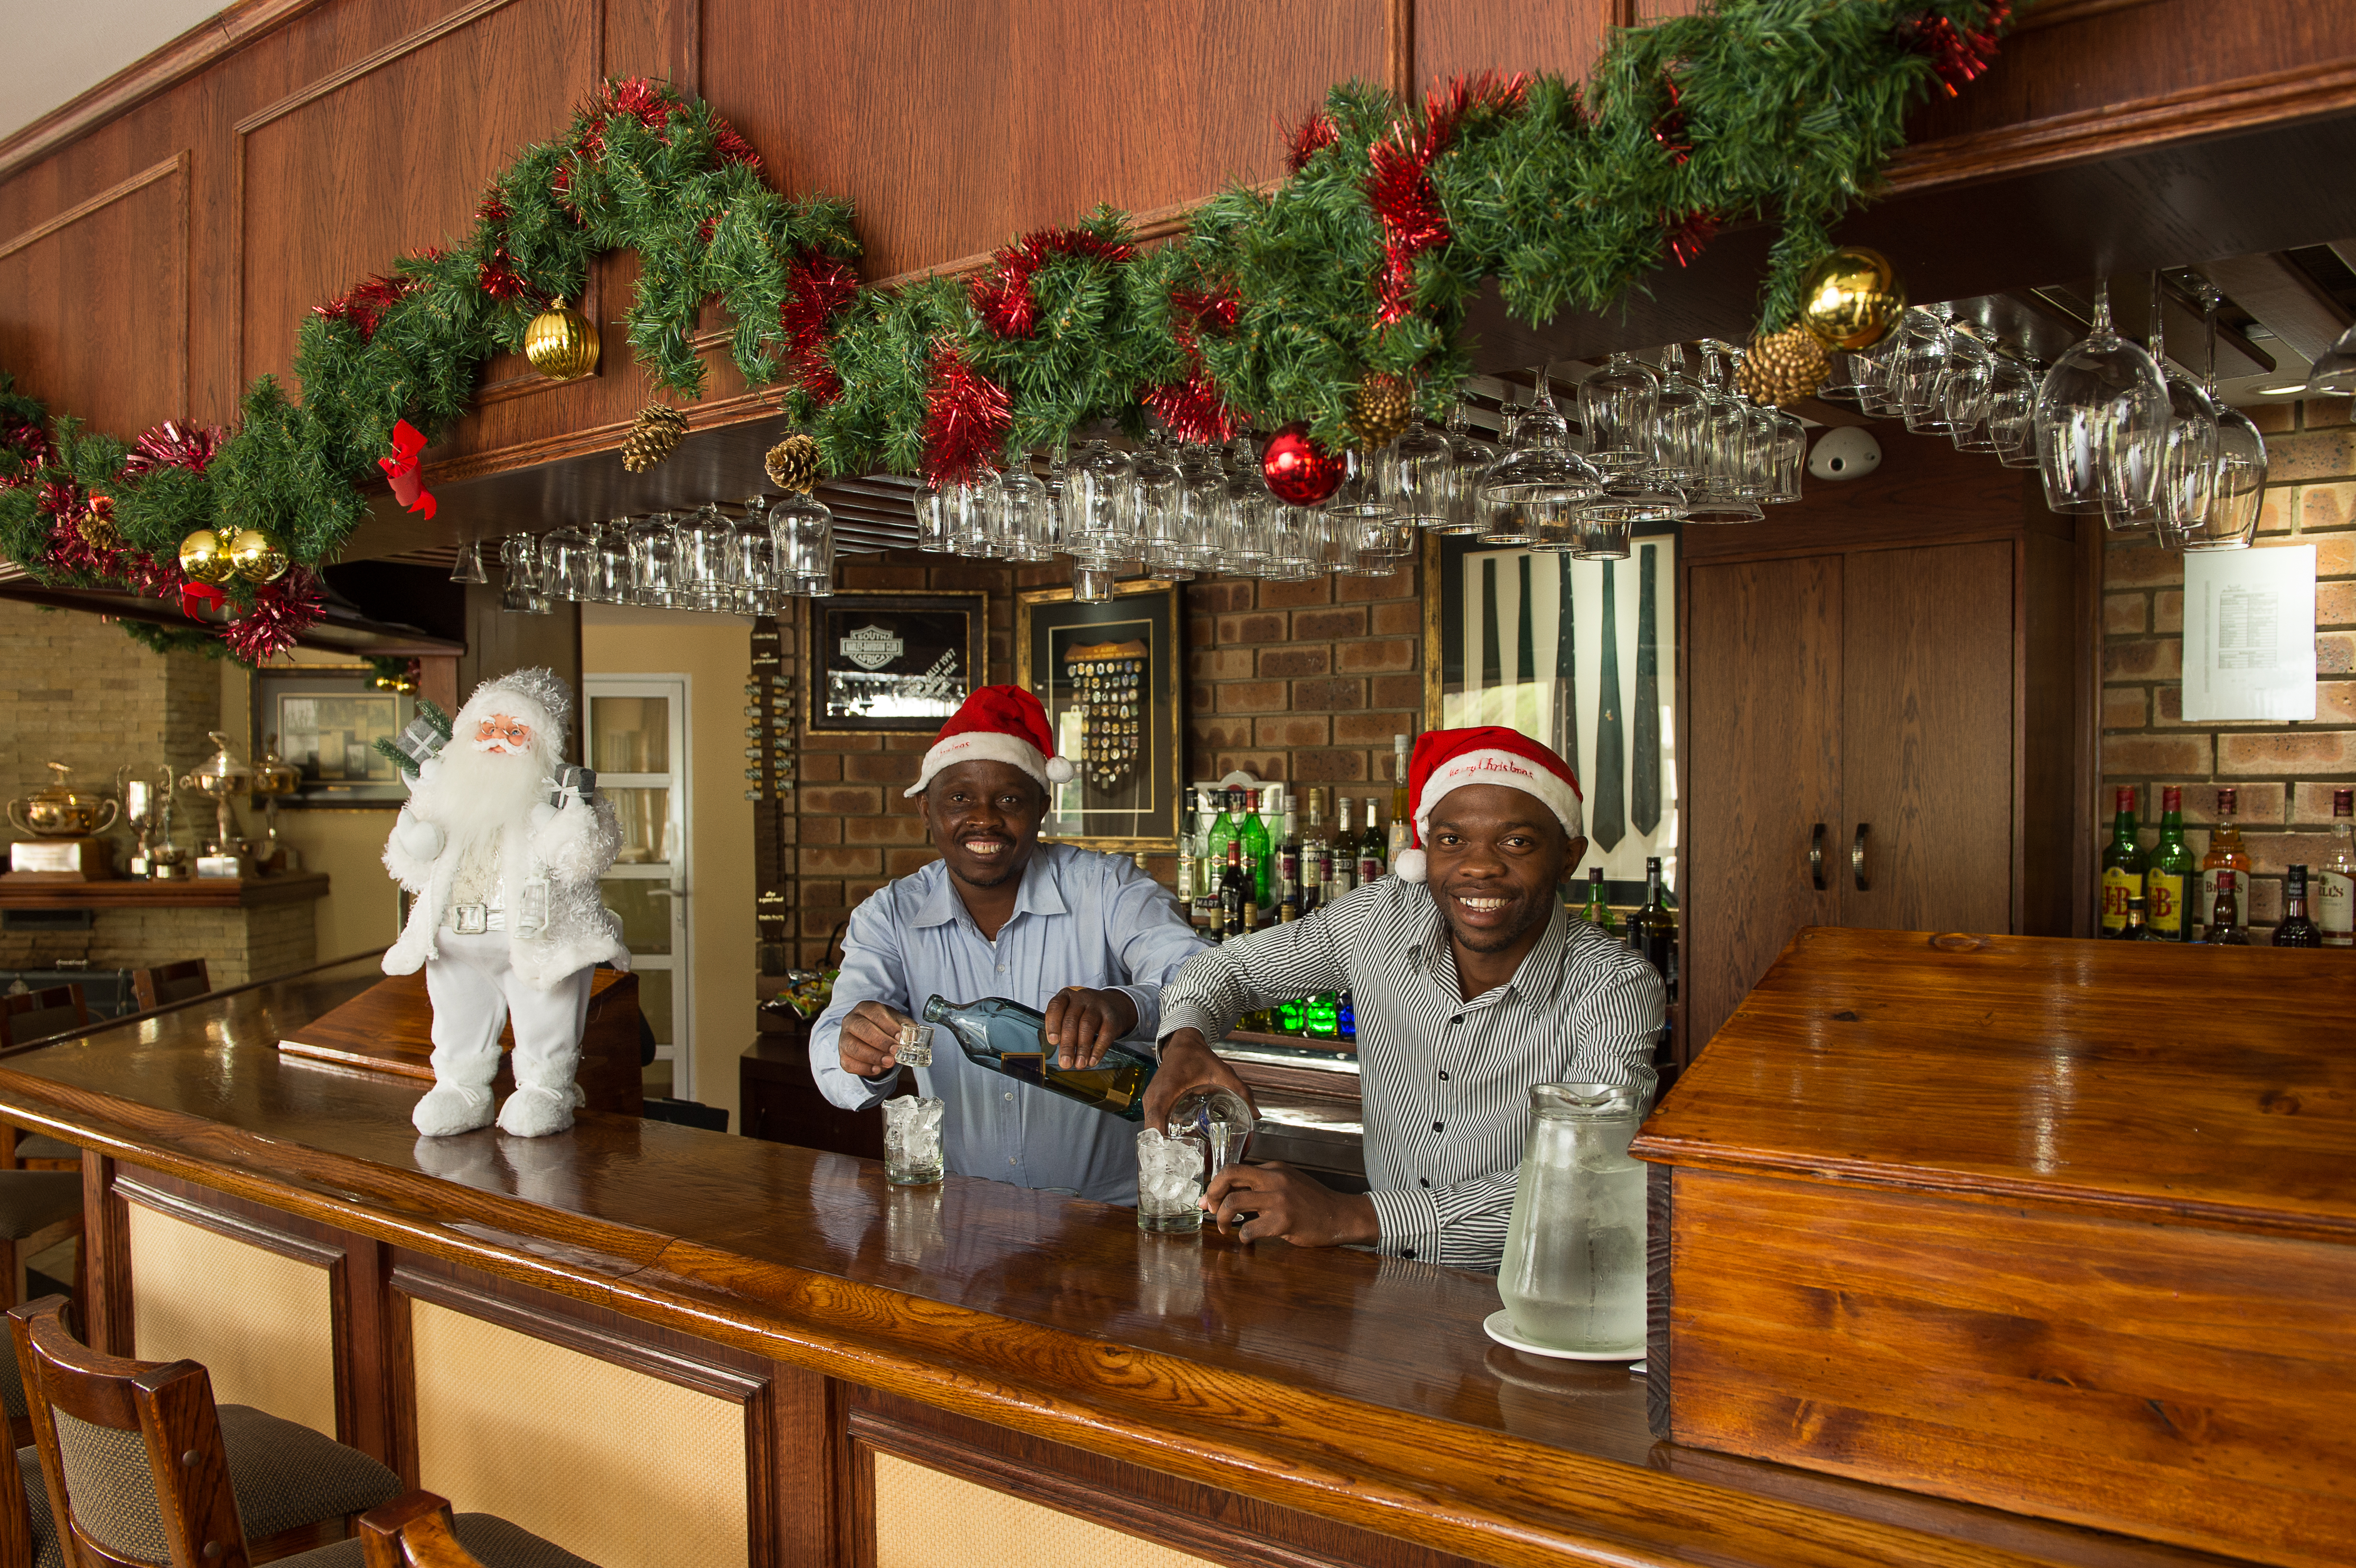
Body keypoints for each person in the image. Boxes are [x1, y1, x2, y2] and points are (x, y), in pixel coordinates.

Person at [1144, 726, 1663, 1269]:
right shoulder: (1380, 918)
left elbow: (1584, 1175)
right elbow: (1225, 967)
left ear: (1568, 856)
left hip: (1541, 1297)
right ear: (1425, 849)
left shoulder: (1614, 984)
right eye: (1451, 840)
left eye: (1515, 841)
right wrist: (1184, 1037)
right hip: (1390, 1289)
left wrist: (1352, 1216)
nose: (1478, 864)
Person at [810, 686, 1204, 1202]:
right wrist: (854, 1049)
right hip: (966, 1226)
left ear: (1042, 807)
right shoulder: (889, 916)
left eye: (1010, 799)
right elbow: (834, 1062)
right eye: (959, 798)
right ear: (924, 809)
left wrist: (1124, 1004)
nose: (985, 818)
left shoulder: (1107, 888)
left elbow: (1199, 973)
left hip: (1106, 1222)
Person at [381, 669, 626, 1139]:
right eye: (488, 728)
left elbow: (585, 858)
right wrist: (412, 843)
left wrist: (572, 821)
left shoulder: (557, 795)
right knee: (456, 1018)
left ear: (539, 742)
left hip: (535, 939)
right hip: (456, 941)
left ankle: (546, 1091)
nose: (499, 740)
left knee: (545, 1017)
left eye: (515, 732)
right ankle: (460, 1088)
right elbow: (411, 869)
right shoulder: (444, 795)